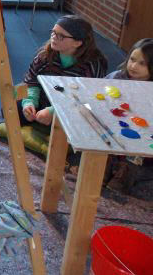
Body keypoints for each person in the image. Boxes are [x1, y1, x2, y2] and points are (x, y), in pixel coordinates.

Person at [19, 15, 107, 127]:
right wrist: (29, 103)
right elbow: (31, 82)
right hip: (43, 102)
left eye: (60, 36)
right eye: (53, 32)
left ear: (77, 43)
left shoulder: (93, 65)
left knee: (82, 122)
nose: (53, 37)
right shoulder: (44, 56)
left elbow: (88, 98)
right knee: (15, 106)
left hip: (70, 108)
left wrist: (54, 111)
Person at [103, 38, 153, 193]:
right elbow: (99, 92)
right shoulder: (117, 77)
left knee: (138, 149)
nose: (133, 66)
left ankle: (126, 172)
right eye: (132, 59)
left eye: (142, 63)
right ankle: (105, 164)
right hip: (116, 126)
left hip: (143, 134)